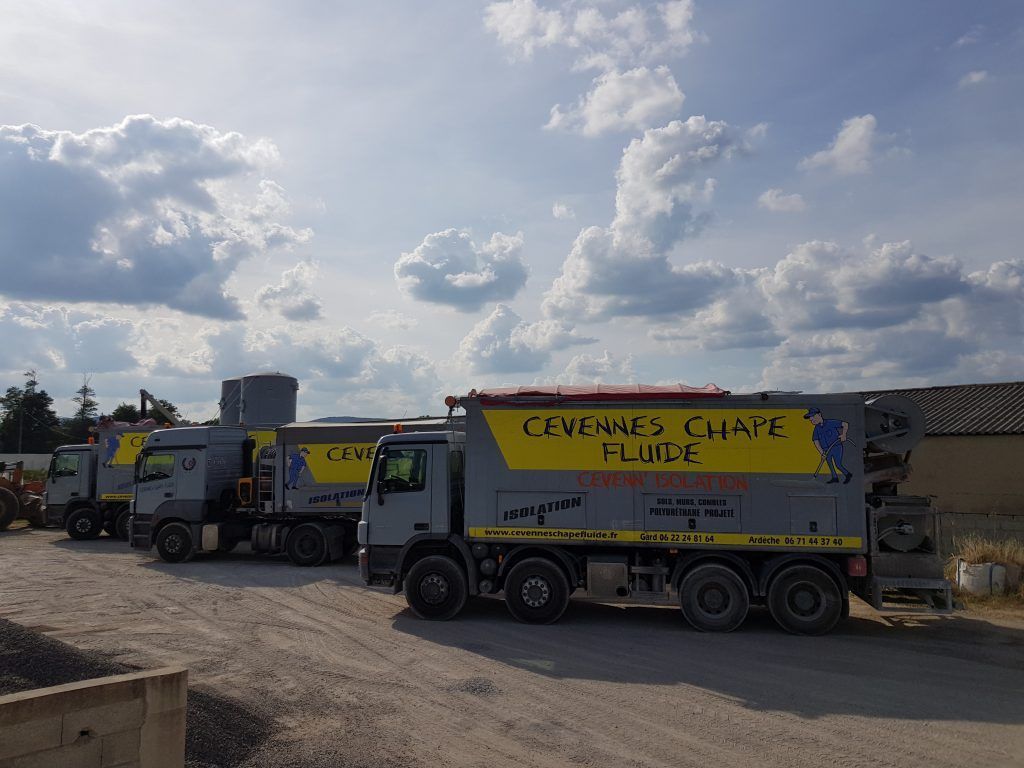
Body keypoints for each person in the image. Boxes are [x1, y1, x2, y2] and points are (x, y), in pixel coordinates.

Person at [804, 408, 852, 484]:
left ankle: (848, 474)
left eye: (813, 416)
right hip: (826, 450)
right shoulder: (817, 429)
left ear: (819, 415)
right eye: (810, 418)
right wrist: (822, 453)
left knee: (838, 464)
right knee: (829, 463)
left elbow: (845, 424)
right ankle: (834, 477)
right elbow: (816, 441)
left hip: (836, 447)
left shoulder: (830, 423)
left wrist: (844, 435)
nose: (811, 419)